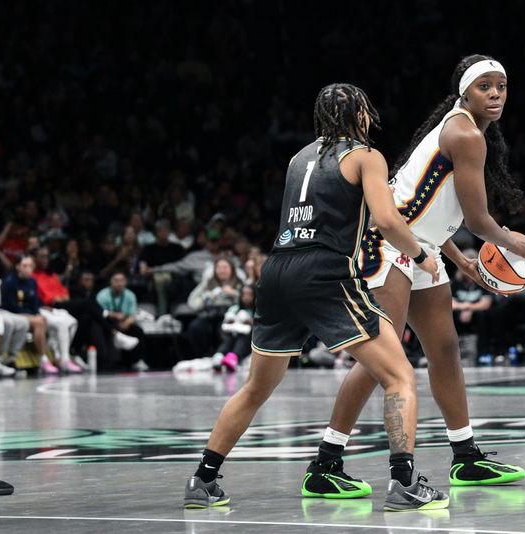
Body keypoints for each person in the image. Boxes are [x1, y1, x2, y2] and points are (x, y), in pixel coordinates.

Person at [183, 83, 447, 512]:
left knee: (255, 387)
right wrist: (421, 255)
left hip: (277, 271)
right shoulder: (366, 156)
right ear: (361, 115)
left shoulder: (297, 158)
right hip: (323, 273)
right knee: (399, 376)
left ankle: (203, 479)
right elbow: (385, 218)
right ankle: (404, 483)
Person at [306, 55, 525, 493]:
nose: (494, 94)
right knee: (385, 358)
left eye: (501, 86)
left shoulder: (463, 129)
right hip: (390, 242)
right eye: (484, 86)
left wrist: (461, 259)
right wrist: (512, 241)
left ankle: (465, 457)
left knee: (446, 348)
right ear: (464, 93)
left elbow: (428, 204)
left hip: (422, 246)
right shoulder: (465, 132)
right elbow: (476, 218)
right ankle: (324, 465)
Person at [0, 256, 57, 374]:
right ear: (18, 267)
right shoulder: (9, 282)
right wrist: (33, 317)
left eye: (30, 266)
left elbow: (35, 304)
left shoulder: (32, 282)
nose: (27, 269)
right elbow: (11, 306)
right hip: (11, 313)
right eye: (24, 266)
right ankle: (43, 358)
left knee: (43, 319)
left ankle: (53, 356)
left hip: (27, 315)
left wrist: (36, 314)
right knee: (39, 322)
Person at [97, 272, 146, 370]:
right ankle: (108, 362)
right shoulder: (102, 295)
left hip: (124, 322)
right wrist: (114, 315)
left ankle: (137, 360)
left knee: (138, 331)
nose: (119, 283)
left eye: (121, 281)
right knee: (101, 329)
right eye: (116, 280)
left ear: (126, 282)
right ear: (110, 282)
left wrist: (126, 323)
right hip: (108, 323)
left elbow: (132, 314)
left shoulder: (130, 295)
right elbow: (100, 313)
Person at [211, 285, 255, 372]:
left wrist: (250, 322)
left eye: (249, 295)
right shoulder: (234, 309)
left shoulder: (257, 311)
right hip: (232, 334)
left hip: (248, 340)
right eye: (244, 295)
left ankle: (234, 357)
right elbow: (224, 325)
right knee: (228, 339)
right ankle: (219, 356)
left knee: (242, 338)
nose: (246, 298)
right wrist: (230, 321)